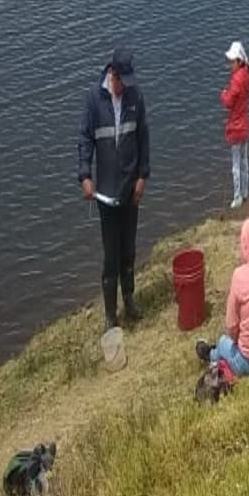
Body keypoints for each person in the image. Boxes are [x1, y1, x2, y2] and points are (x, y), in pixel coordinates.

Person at [78, 46, 150, 330]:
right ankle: (111, 314)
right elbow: (84, 140)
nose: (125, 88)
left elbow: (144, 138)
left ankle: (130, 300)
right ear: (112, 74)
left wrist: (143, 176)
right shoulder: (94, 101)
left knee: (129, 249)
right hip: (106, 194)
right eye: (122, 82)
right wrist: (85, 176)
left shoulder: (136, 98)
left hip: (130, 190)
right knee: (111, 255)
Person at [196, 213, 249, 377]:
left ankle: (211, 356)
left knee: (223, 342)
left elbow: (231, 325)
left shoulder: (239, 276)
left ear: (246, 245)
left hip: (248, 362)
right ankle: (219, 355)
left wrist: (236, 342)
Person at [220, 40, 249, 209]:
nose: (230, 65)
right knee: (244, 159)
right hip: (245, 124)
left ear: (239, 61)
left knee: (235, 164)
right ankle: (246, 191)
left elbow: (228, 102)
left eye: (232, 61)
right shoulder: (247, 76)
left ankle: (237, 197)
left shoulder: (236, 81)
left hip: (236, 127)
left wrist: (223, 94)